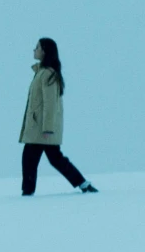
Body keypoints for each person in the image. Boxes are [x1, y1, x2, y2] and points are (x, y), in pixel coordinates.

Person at [20, 37, 96, 195]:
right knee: (54, 158)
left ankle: (27, 193)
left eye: (37, 47)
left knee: (30, 159)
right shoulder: (42, 73)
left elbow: (50, 104)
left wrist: (47, 129)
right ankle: (83, 184)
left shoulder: (47, 74)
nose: (34, 50)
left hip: (41, 129)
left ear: (44, 51)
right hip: (39, 127)